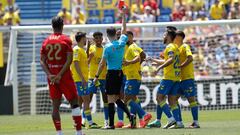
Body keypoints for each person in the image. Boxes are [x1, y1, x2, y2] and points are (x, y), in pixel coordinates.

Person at [40, 16, 83, 135]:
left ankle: (59, 133)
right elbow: (69, 60)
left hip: (52, 78)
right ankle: (78, 132)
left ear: (52, 26)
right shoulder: (66, 39)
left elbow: (42, 61)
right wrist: (59, 75)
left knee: (55, 106)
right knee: (74, 103)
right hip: (64, 77)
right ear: (62, 25)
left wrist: (50, 75)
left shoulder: (46, 41)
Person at [93, 8, 136, 129]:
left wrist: (96, 76)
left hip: (111, 74)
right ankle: (130, 115)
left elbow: (102, 63)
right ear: (115, 34)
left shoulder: (107, 47)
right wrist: (123, 16)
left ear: (107, 35)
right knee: (116, 98)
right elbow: (124, 29)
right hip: (120, 73)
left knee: (111, 99)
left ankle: (111, 124)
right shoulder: (122, 42)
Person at [147, 29, 181, 129]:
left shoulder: (170, 46)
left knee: (159, 98)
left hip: (169, 77)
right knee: (172, 101)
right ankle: (178, 123)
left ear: (169, 36)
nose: (163, 37)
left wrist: (158, 68)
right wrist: (154, 61)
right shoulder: (175, 47)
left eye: (164, 35)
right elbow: (168, 60)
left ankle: (171, 119)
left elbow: (170, 60)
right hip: (176, 77)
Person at [122, 31, 152, 128]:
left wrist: (128, 62)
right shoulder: (133, 46)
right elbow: (143, 55)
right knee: (134, 98)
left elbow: (138, 57)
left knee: (126, 100)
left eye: (126, 37)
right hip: (133, 75)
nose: (124, 39)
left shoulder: (132, 47)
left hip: (132, 76)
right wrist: (137, 66)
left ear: (131, 37)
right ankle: (133, 123)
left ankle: (144, 114)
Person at [70, 32, 101, 129]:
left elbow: (84, 64)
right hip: (80, 79)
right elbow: (75, 63)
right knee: (86, 99)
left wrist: (90, 57)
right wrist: (82, 78)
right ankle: (91, 123)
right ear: (81, 39)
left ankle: (77, 122)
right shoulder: (76, 50)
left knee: (80, 102)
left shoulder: (82, 50)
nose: (86, 40)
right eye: (85, 38)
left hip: (83, 79)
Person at [174, 31, 200, 128]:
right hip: (179, 79)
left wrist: (180, 66)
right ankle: (179, 122)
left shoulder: (185, 46)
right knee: (173, 99)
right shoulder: (176, 48)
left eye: (175, 36)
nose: (174, 38)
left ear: (180, 37)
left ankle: (196, 122)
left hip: (187, 78)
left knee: (191, 100)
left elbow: (190, 58)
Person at [87, 31, 109, 128]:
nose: (98, 40)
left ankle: (106, 121)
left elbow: (106, 63)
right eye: (96, 38)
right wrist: (87, 49)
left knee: (105, 98)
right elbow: (86, 61)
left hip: (103, 77)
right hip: (92, 77)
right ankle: (86, 121)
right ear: (94, 39)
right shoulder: (91, 48)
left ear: (102, 39)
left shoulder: (105, 49)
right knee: (88, 99)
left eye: (100, 38)